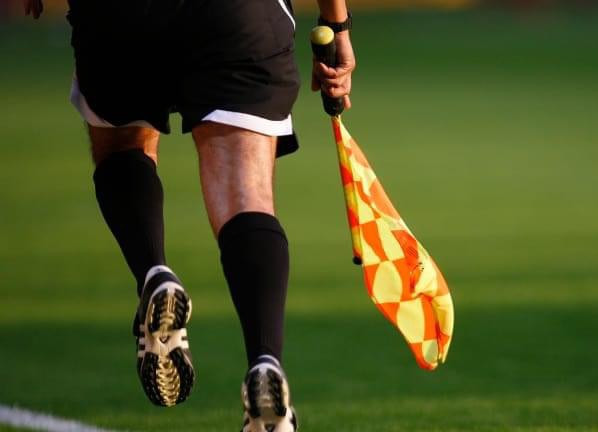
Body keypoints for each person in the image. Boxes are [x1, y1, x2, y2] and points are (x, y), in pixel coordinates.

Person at [24, 0, 355, 430]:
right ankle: (264, 361)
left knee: (121, 144)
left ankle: (154, 272)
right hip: (237, 17)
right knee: (247, 195)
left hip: (122, 17)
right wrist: (337, 25)